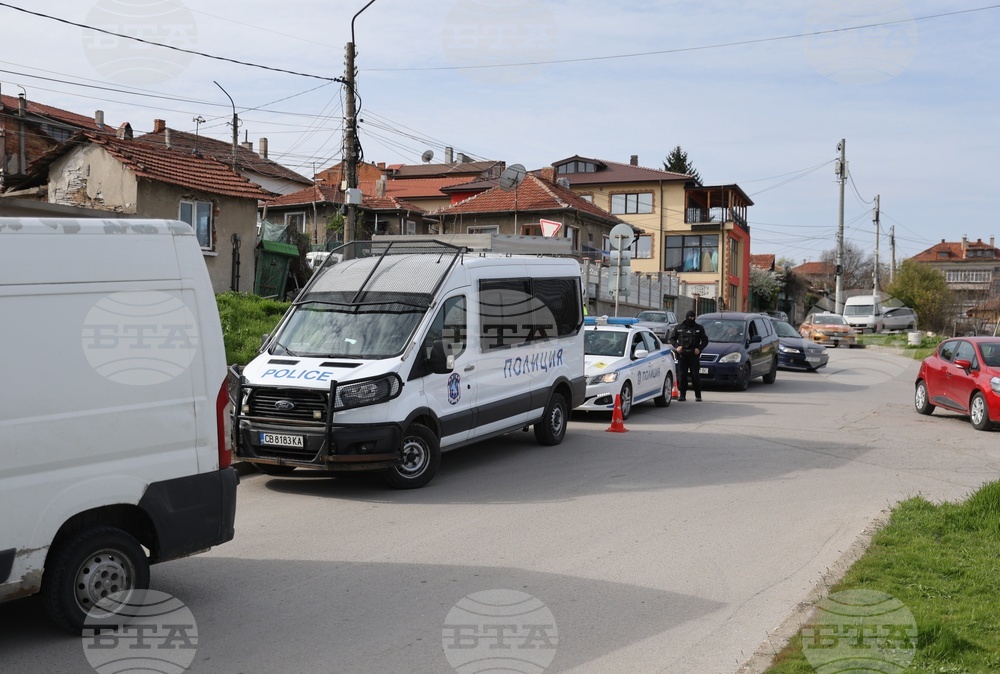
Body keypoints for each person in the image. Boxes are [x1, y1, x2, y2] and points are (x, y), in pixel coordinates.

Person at [670, 310, 710, 401]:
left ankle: (698, 396)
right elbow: (672, 339)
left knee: (695, 376)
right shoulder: (679, 328)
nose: (691, 319)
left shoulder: (699, 328)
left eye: (693, 317)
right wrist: (677, 347)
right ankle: (682, 395)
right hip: (682, 356)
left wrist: (699, 349)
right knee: (682, 376)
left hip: (694, 356)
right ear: (686, 317)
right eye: (690, 317)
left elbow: (705, 341)